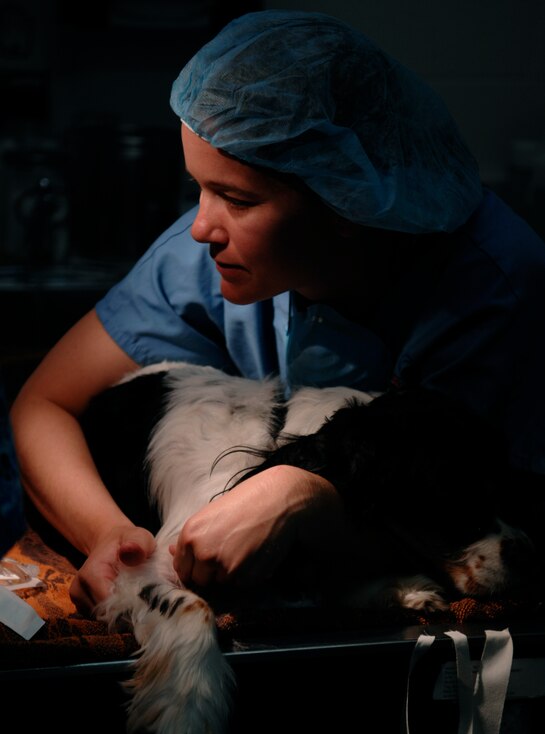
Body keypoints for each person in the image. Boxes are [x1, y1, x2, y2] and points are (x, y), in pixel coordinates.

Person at [10, 9, 545, 615]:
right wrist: (109, 535)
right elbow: (44, 406)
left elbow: (462, 518)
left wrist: (300, 495)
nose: (200, 228)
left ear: (345, 203)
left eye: (236, 198)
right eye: (199, 188)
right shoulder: (205, 260)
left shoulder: (496, 292)